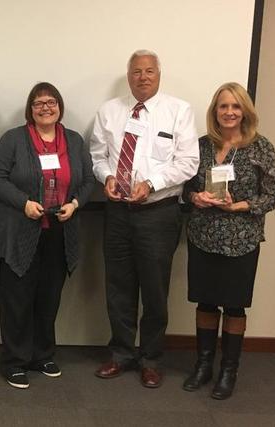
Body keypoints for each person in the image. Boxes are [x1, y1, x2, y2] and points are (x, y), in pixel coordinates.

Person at [89, 49, 199, 388]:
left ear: (159, 74)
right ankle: (122, 353)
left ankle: (151, 359)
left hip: (158, 213)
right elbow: (98, 155)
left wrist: (151, 184)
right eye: (137, 71)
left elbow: (188, 162)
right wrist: (106, 176)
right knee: (119, 287)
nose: (143, 77)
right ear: (128, 74)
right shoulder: (109, 111)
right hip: (118, 213)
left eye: (149, 71)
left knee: (154, 290)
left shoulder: (178, 111)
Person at [0, 82, 95, 389]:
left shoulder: (73, 141)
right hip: (20, 230)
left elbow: (87, 180)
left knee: (49, 296)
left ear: (59, 106)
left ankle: (42, 354)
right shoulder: (14, 139)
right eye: (38, 103)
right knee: (17, 298)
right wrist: (23, 203)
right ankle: (14, 360)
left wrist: (75, 204)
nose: (45, 107)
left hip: (59, 232)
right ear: (30, 109)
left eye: (51, 102)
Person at [181, 82, 275, 399]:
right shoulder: (200, 146)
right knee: (206, 301)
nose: (229, 112)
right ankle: (203, 365)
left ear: (245, 112)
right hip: (204, 235)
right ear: (215, 111)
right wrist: (195, 197)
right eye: (223, 106)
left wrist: (242, 205)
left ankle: (229, 370)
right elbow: (183, 187)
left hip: (242, 239)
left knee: (235, 306)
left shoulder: (260, 147)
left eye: (235, 106)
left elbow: (274, 195)